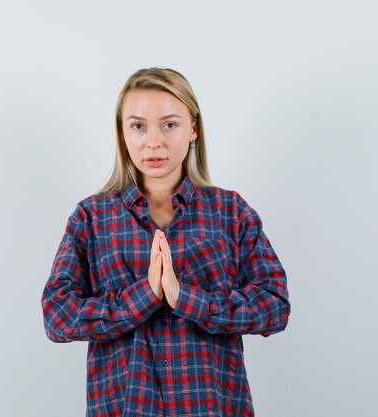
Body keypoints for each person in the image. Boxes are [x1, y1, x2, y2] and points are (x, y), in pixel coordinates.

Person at [41, 67, 291, 417]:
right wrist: (146, 295)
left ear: (193, 129)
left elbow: (275, 305)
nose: (153, 141)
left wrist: (186, 298)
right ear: (122, 133)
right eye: (138, 126)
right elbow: (57, 315)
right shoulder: (92, 218)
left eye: (169, 124)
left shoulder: (230, 211)